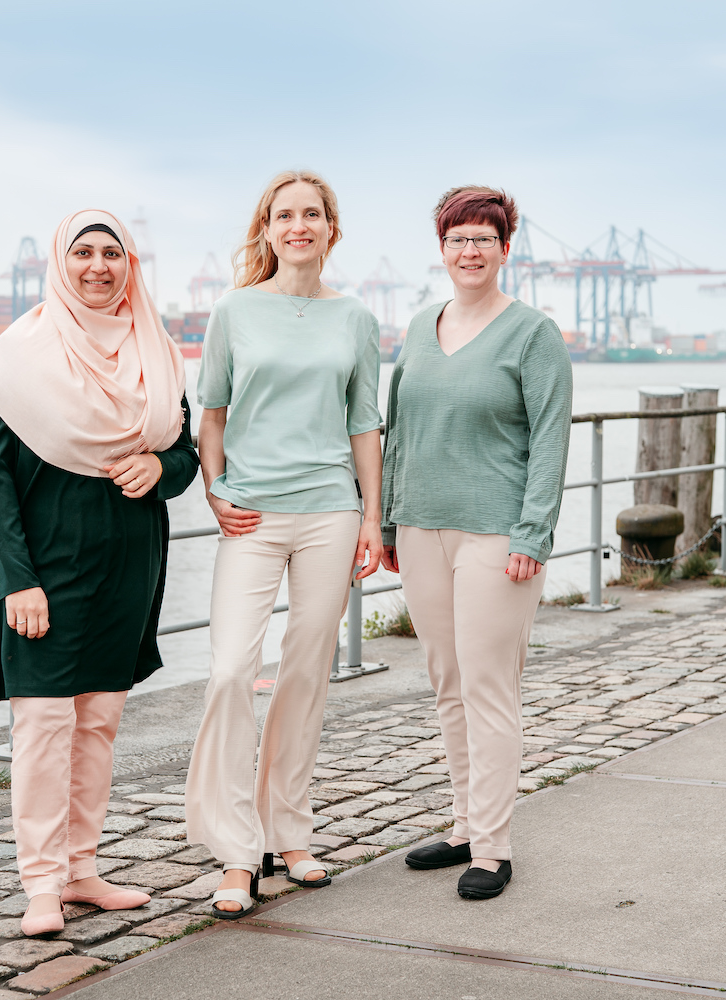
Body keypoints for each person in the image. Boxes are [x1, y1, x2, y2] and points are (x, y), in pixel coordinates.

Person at [0, 209, 199, 936]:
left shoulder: (156, 350)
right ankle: (40, 884)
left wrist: (158, 465)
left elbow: (188, 453)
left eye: (112, 253)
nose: (98, 266)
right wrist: (17, 579)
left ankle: (80, 870)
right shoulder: (20, 355)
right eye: (84, 253)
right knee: (42, 722)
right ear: (59, 262)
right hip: (44, 566)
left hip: (127, 561)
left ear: (130, 265)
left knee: (98, 722)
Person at [185, 171, 383, 919]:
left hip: (332, 511)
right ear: (266, 229)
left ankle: (288, 834)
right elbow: (211, 413)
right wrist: (216, 487)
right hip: (254, 517)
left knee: (306, 674)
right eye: (283, 215)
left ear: (332, 228)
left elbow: (365, 422)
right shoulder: (234, 309)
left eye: (311, 214)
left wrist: (371, 517)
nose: (298, 226)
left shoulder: (356, 318)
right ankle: (236, 854)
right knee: (233, 670)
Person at [380, 186, 572, 900]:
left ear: (504, 249)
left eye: (482, 239)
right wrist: (390, 519)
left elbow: (550, 441)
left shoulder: (532, 334)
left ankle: (493, 847)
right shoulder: (419, 327)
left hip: (497, 536)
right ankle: (463, 823)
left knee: (490, 688)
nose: (469, 252)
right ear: (441, 249)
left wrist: (534, 534)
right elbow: (398, 427)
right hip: (421, 528)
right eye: (457, 239)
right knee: (447, 684)